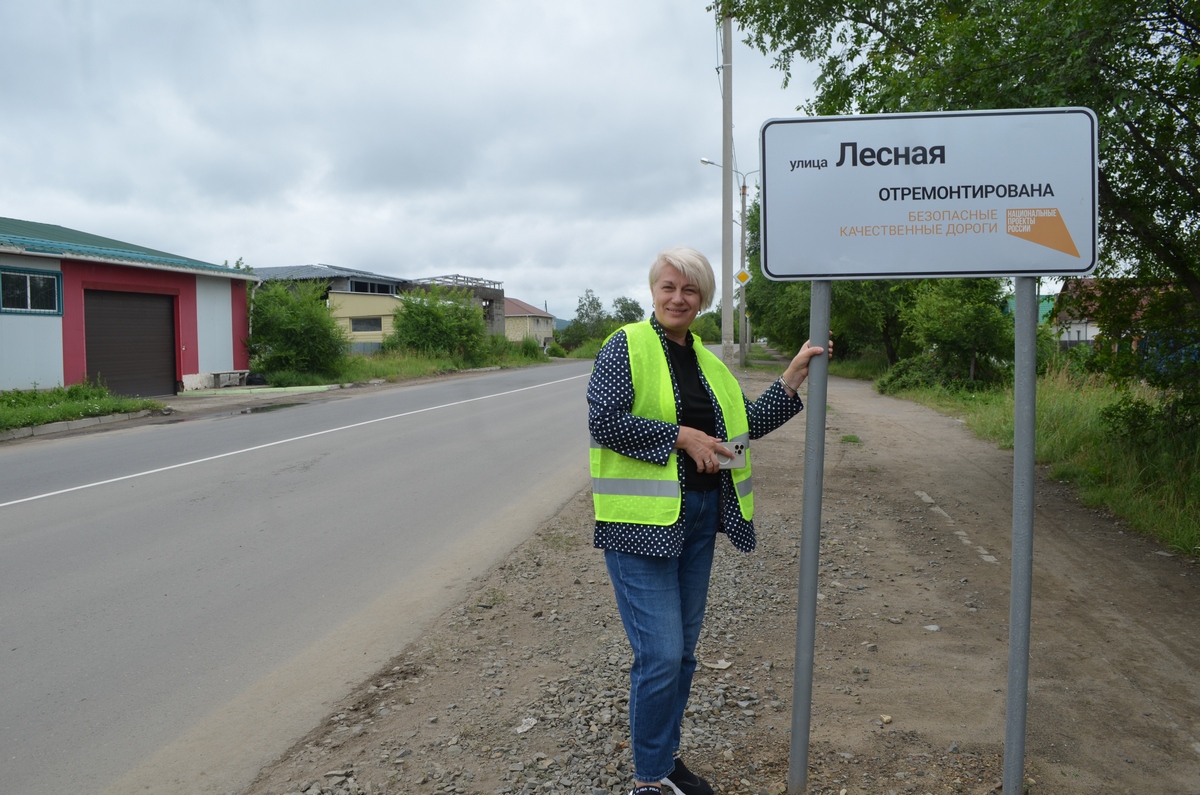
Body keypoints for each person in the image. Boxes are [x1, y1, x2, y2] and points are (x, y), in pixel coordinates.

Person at [587, 246, 829, 795]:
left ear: (703, 300)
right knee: (659, 655)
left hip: (698, 521)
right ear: (654, 291)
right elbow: (604, 422)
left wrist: (792, 376)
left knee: (682, 655)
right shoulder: (625, 345)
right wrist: (680, 436)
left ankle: (665, 762)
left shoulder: (709, 363)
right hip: (639, 526)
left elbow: (744, 428)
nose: (678, 298)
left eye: (690, 290)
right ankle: (648, 780)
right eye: (668, 287)